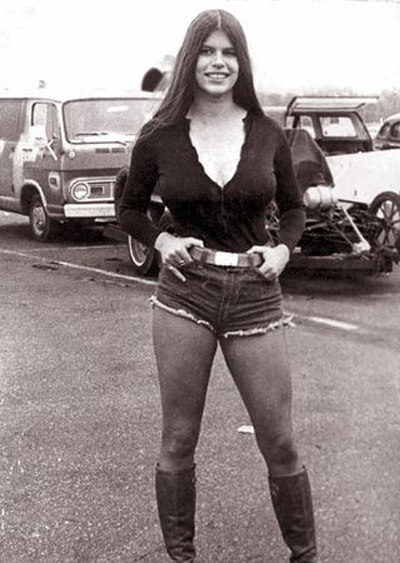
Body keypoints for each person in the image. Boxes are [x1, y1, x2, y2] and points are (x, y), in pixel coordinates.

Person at [119, 8, 317, 563]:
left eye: (229, 52)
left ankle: (306, 555)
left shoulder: (268, 132)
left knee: (280, 440)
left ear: (241, 63)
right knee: (179, 438)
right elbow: (129, 209)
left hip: (255, 291)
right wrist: (161, 240)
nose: (218, 62)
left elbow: (295, 209)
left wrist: (283, 249)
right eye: (207, 51)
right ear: (190, 59)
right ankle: (181, 557)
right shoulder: (158, 136)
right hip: (185, 294)